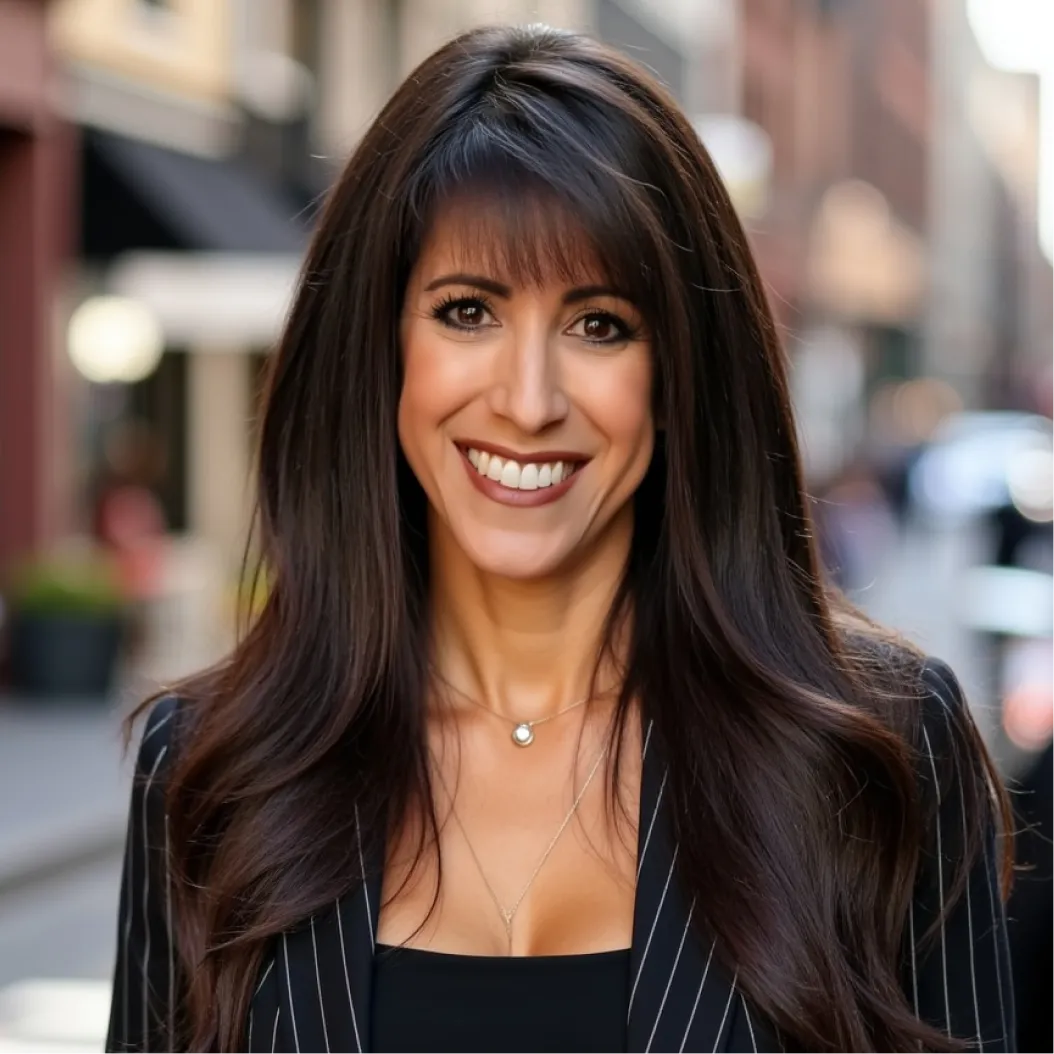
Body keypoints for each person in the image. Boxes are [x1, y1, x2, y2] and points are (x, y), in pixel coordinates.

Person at [105, 24, 1015, 1054]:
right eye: (466, 310)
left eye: (599, 325)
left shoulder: (877, 752)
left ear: (680, 370)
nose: (529, 401)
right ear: (380, 349)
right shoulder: (218, 772)